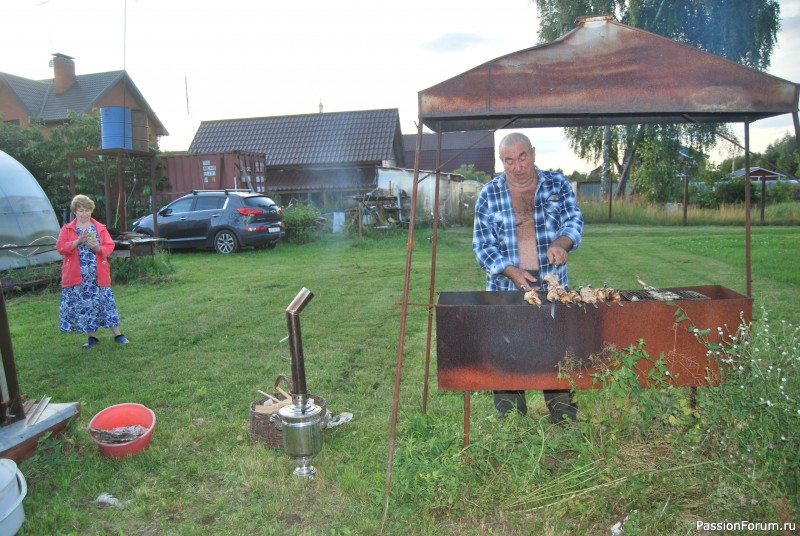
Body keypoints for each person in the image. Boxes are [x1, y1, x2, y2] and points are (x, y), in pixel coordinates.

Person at [473, 132, 583, 422]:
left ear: (533, 153)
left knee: (556, 351)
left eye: (522, 157)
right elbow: (482, 247)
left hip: (553, 285)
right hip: (505, 288)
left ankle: (564, 417)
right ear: (501, 161)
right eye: (509, 161)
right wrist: (511, 271)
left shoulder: (557, 184)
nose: (517, 166)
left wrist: (562, 243)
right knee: (507, 351)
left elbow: (574, 220)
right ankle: (511, 421)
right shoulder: (488, 194)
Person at [56, 194, 129, 349]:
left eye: (87, 210)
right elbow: (60, 247)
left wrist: (98, 248)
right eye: (81, 210)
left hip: (98, 275)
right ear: (75, 211)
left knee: (106, 303)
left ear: (91, 210)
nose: (85, 213)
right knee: (86, 306)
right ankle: (92, 337)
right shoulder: (67, 229)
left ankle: (118, 334)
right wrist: (77, 242)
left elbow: (109, 246)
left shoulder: (99, 228)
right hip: (78, 276)